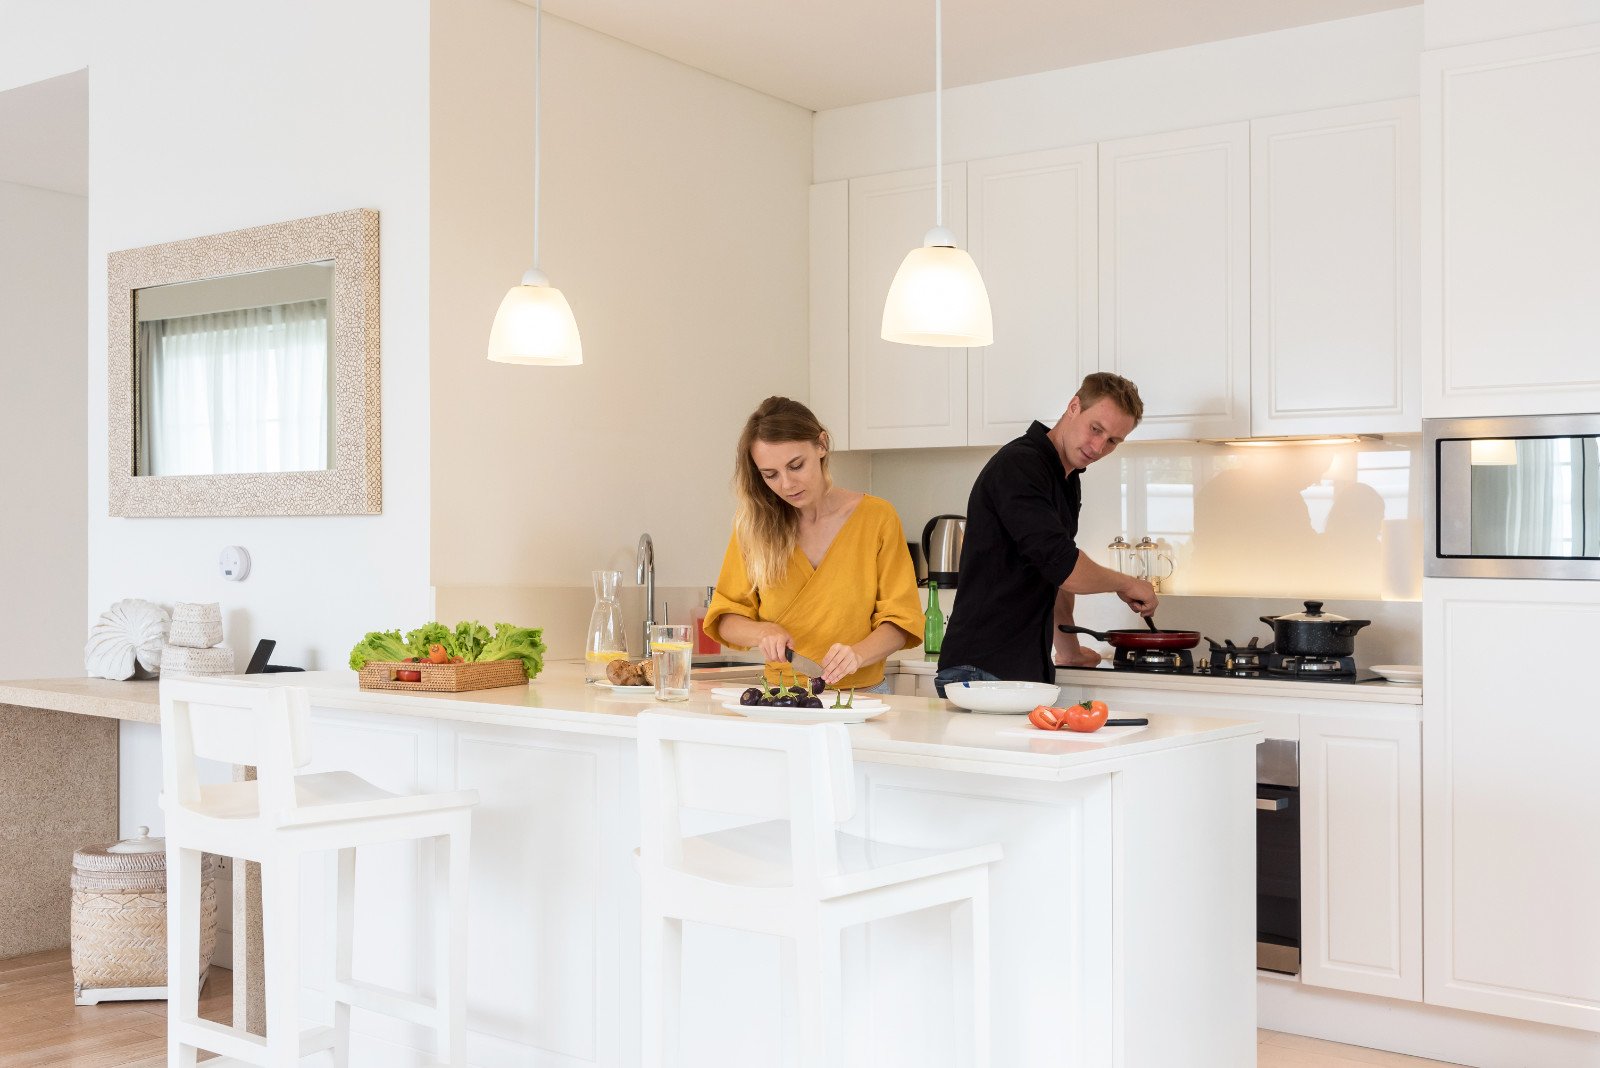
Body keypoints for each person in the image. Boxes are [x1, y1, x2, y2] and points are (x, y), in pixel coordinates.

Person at [936, 372, 1158, 692]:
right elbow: (1066, 569)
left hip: (1018, 671)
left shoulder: (1066, 479)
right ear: (1073, 407)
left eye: (1112, 441)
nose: (1098, 447)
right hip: (980, 671)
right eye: (1096, 429)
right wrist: (1125, 583)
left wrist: (1068, 650)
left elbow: (1053, 572)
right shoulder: (1021, 465)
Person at [703, 397, 923, 693]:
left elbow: (901, 622)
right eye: (771, 475)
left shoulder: (877, 518)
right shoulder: (753, 527)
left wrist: (858, 654)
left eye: (796, 465)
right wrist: (762, 632)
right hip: (780, 697)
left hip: (862, 697)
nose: (787, 484)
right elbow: (727, 617)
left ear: (821, 445)